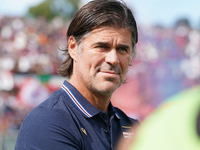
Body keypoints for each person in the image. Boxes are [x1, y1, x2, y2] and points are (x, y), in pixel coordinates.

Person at [14, 0, 139, 149]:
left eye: (122, 49)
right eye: (101, 46)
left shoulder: (133, 127)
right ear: (73, 47)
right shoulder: (47, 121)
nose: (113, 59)